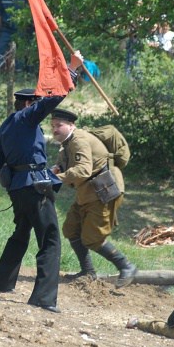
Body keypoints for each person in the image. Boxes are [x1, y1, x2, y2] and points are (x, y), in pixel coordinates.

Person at [0, 53, 83, 314]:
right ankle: (44, 299)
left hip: (18, 189)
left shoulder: (6, 126)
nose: (39, 107)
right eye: (35, 103)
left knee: (21, 234)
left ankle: (0, 283)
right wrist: (71, 68)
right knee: (50, 239)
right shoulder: (26, 118)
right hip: (34, 188)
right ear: (27, 104)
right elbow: (54, 97)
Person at [50, 110, 137, 288]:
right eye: (52, 126)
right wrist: (58, 168)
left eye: (59, 125)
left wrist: (54, 179)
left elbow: (83, 170)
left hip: (103, 190)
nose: (55, 129)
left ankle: (126, 266)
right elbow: (69, 164)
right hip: (87, 192)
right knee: (71, 228)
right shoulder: (67, 143)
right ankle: (88, 271)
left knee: (93, 238)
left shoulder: (78, 140)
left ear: (71, 125)